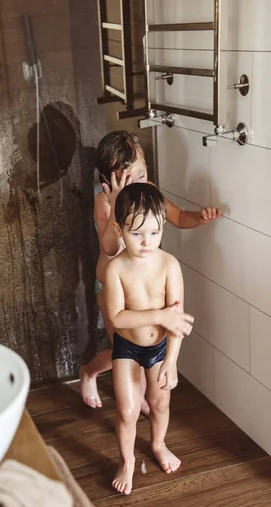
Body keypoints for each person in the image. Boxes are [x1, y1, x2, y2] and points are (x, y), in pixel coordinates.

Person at [79, 130, 220, 410]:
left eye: (141, 176)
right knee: (125, 348)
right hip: (114, 288)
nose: (137, 186)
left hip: (147, 287)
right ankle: (90, 372)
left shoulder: (150, 193)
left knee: (149, 346)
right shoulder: (103, 201)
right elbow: (109, 248)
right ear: (108, 181)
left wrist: (199, 218)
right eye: (128, 181)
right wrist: (117, 202)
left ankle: (140, 394)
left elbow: (178, 217)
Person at [105, 182, 190, 494]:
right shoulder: (116, 268)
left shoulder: (169, 265)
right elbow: (117, 317)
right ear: (119, 228)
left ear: (163, 227)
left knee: (160, 402)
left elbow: (176, 320)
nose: (146, 242)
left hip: (160, 348)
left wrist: (172, 360)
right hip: (127, 347)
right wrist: (159, 315)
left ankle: (158, 444)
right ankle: (126, 461)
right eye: (136, 233)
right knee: (127, 410)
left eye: (154, 233)